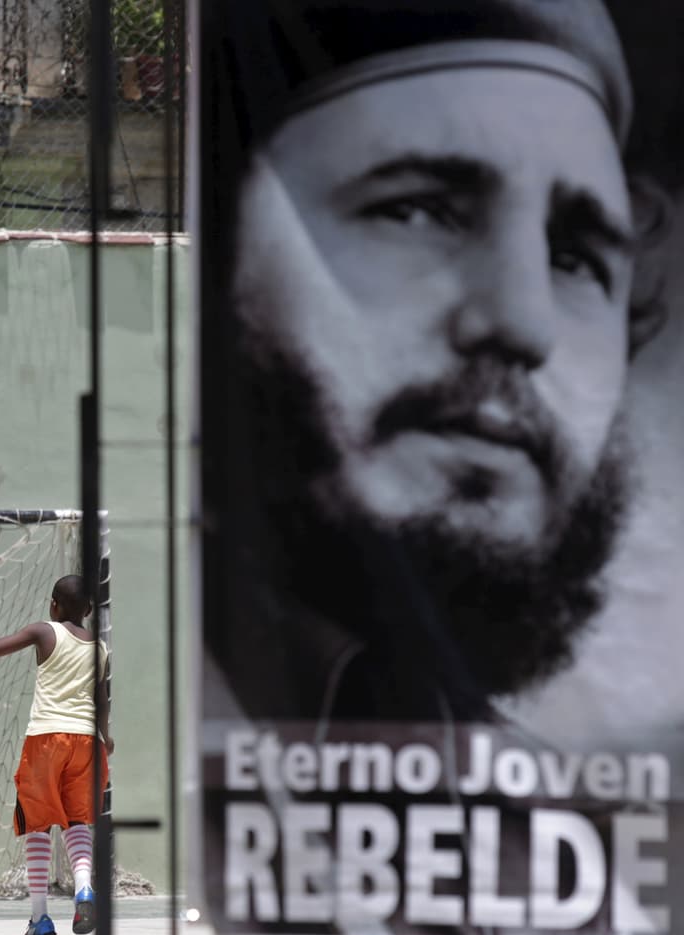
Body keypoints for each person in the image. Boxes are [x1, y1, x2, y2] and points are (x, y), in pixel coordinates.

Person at [196, 0, 670, 727]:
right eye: (419, 210)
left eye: (575, 257)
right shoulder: (140, 730)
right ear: (223, 248)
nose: (523, 321)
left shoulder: (557, 826)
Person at [0, 575, 112, 935]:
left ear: (53, 605)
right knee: (78, 821)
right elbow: (102, 700)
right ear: (90, 610)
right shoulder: (101, 648)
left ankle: (41, 917)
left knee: (38, 824)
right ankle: (85, 888)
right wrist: (107, 739)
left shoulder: (45, 632)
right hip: (87, 741)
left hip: (47, 739)